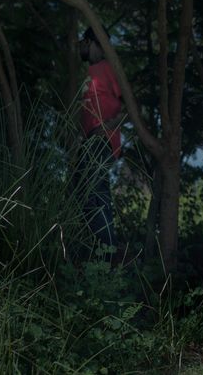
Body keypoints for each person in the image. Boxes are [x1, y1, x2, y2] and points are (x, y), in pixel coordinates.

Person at [75, 26, 122, 250]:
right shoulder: (90, 72)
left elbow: (129, 107)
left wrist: (106, 128)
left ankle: (107, 253)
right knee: (84, 196)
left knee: (97, 194)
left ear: (93, 43)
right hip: (87, 143)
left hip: (101, 141)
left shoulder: (108, 68)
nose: (81, 46)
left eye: (85, 41)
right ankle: (96, 252)